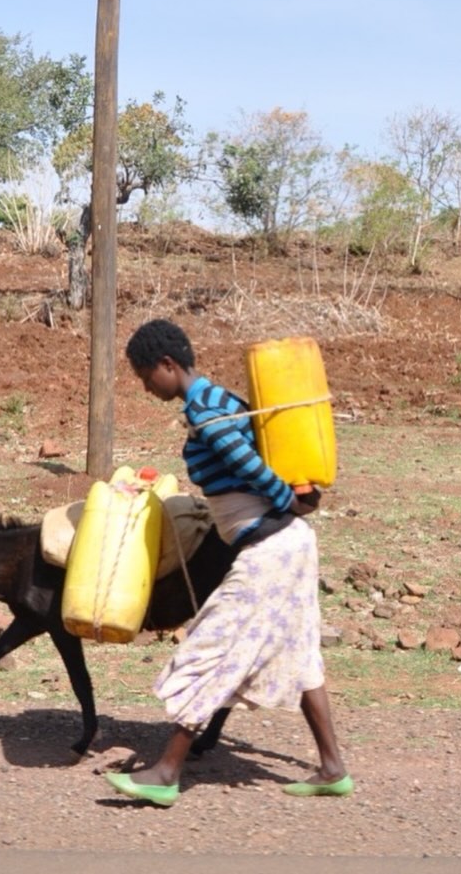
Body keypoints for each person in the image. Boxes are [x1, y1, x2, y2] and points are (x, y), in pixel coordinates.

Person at [105, 318, 352, 807]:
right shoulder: (224, 398)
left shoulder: (203, 408)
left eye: (143, 375)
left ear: (167, 365)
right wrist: (295, 501)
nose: (144, 386)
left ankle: (167, 772)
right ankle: (331, 768)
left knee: (210, 649)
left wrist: (285, 497)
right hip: (292, 544)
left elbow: (243, 461)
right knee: (301, 654)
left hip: (270, 550)